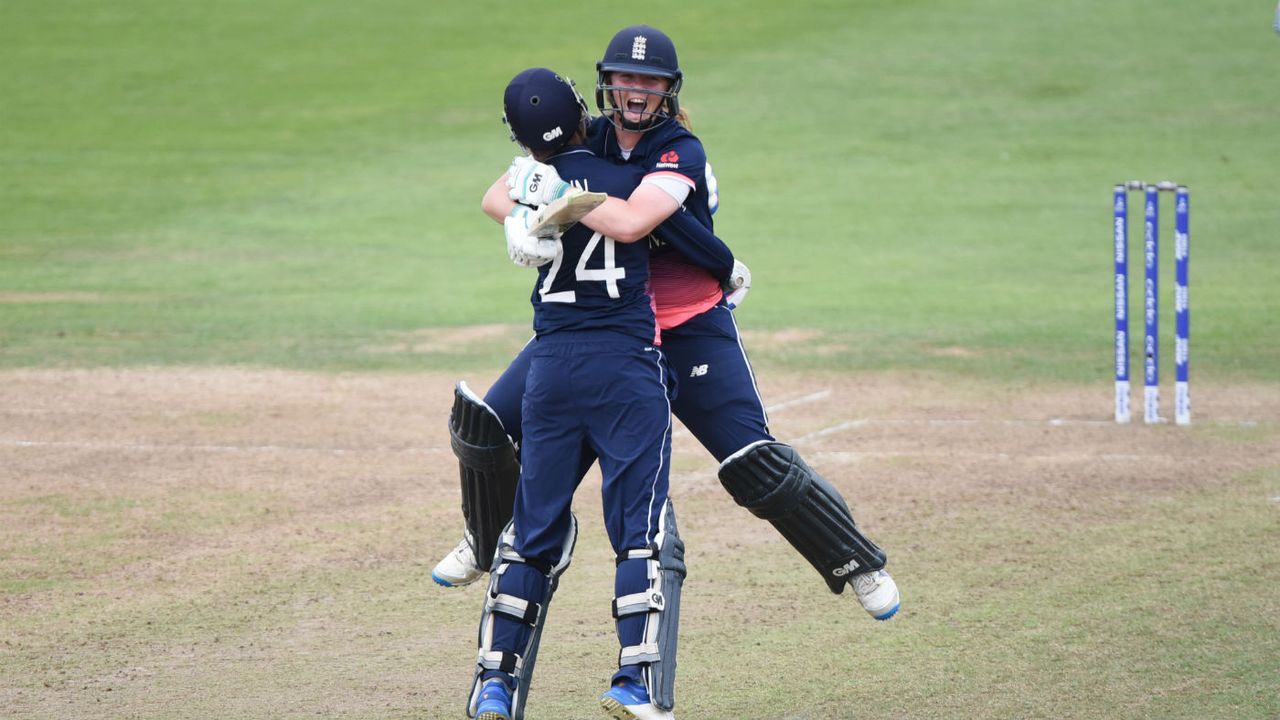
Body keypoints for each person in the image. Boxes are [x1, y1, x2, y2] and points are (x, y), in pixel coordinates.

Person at [439, 25, 898, 626]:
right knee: (488, 424)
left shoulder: (680, 149)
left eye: (649, 81)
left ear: (667, 90)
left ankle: (855, 561)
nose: (635, 90)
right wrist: (520, 223)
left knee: (750, 459)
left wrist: (556, 191)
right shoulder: (589, 137)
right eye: (625, 78)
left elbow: (633, 224)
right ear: (605, 84)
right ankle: (483, 534)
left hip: (684, 325)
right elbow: (497, 192)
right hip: (602, 330)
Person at [465, 68, 685, 720]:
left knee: (531, 533)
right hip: (625, 369)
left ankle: (495, 686)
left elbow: (496, 197)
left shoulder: (527, 183)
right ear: (586, 108)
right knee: (638, 533)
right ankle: (635, 683)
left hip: (551, 370)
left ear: (522, 138)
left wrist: (521, 208)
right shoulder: (628, 175)